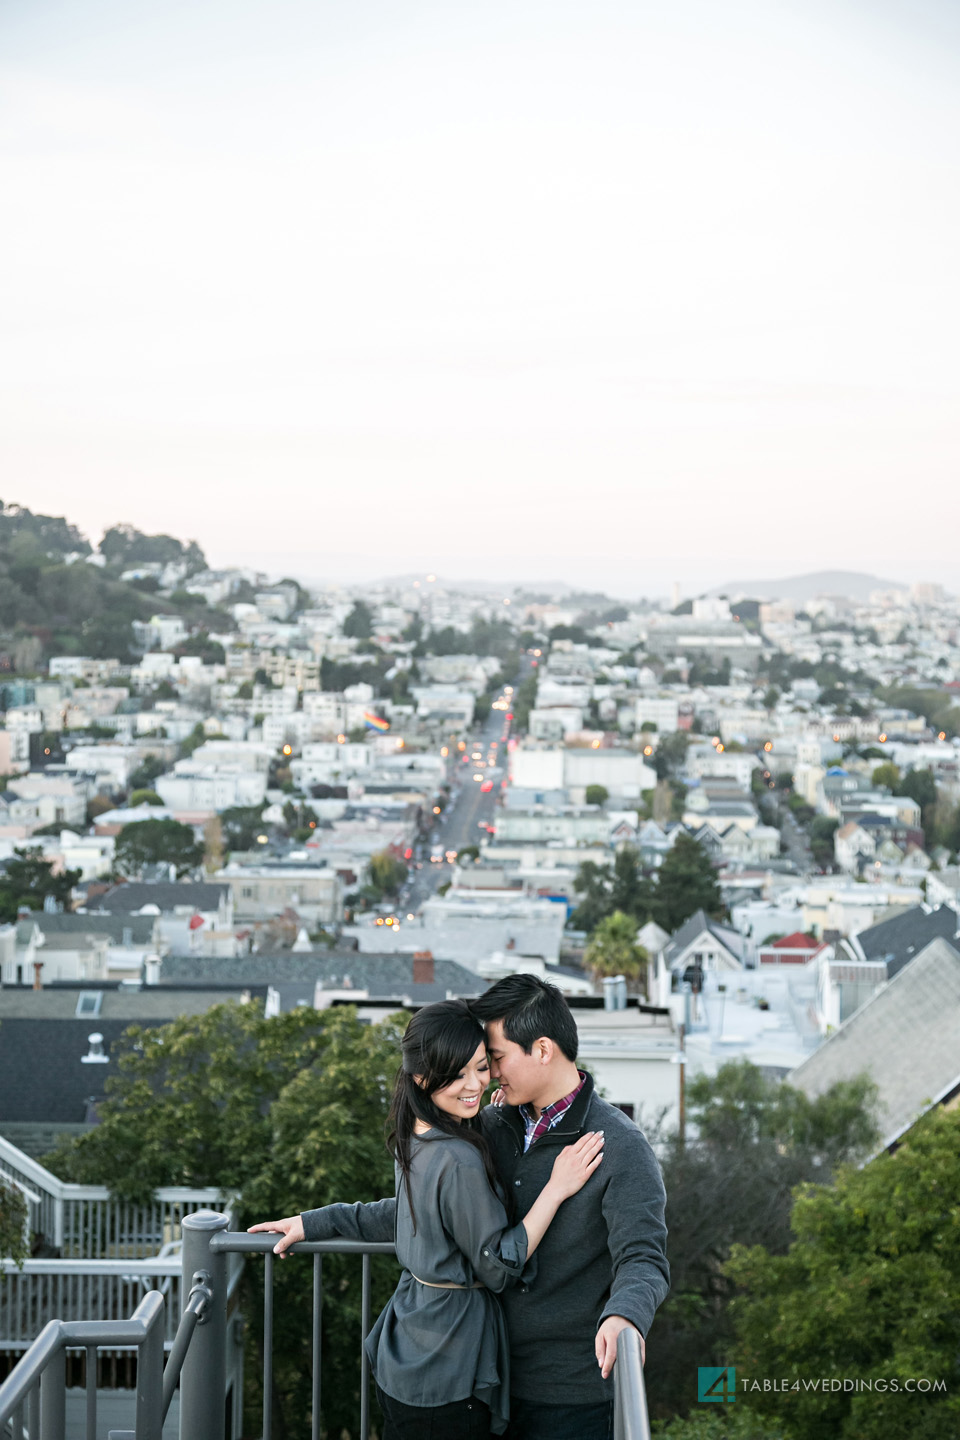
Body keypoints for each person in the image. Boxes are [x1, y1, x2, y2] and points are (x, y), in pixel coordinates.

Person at [249, 998, 604, 1440]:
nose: (475, 1084)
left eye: (481, 1066)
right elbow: (496, 1267)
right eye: (457, 1075)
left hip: (408, 1346)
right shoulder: (458, 1158)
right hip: (449, 1361)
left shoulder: (418, 1132)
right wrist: (556, 1188)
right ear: (421, 1076)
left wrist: (316, 1222)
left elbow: (411, 1212)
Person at [470, 974, 669, 1440]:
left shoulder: (621, 1145)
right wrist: (315, 1222)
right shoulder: (494, 1125)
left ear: (542, 1049)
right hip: (486, 1379)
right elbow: (434, 1207)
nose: (492, 1074)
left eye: (497, 1058)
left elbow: (643, 1258)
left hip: (571, 1397)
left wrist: (626, 1316)